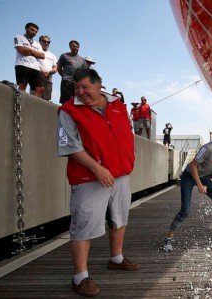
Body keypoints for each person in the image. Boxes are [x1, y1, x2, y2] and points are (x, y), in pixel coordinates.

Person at [57, 68, 139, 297]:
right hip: (88, 178)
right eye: (77, 88)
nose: (80, 92)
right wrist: (97, 168)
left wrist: (128, 159)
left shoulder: (118, 105)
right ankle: (80, 276)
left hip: (121, 175)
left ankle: (116, 258)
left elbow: (126, 134)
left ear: (99, 84)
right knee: (84, 224)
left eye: (85, 87)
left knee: (120, 217)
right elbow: (70, 147)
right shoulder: (68, 111)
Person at [14, 22, 45, 97]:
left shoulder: (37, 44)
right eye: (32, 30)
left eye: (36, 31)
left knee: (40, 89)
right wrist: (35, 53)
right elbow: (21, 50)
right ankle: (20, 105)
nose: (34, 32)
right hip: (22, 65)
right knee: (22, 87)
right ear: (26, 29)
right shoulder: (19, 37)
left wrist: (29, 50)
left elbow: (42, 56)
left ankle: (31, 105)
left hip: (35, 68)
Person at [37, 35, 57, 101]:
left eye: (48, 42)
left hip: (48, 81)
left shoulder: (52, 55)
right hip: (37, 79)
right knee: (35, 99)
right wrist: (41, 72)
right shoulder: (35, 52)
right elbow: (32, 64)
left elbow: (55, 67)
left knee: (46, 100)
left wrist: (50, 72)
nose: (46, 43)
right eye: (44, 41)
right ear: (39, 41)